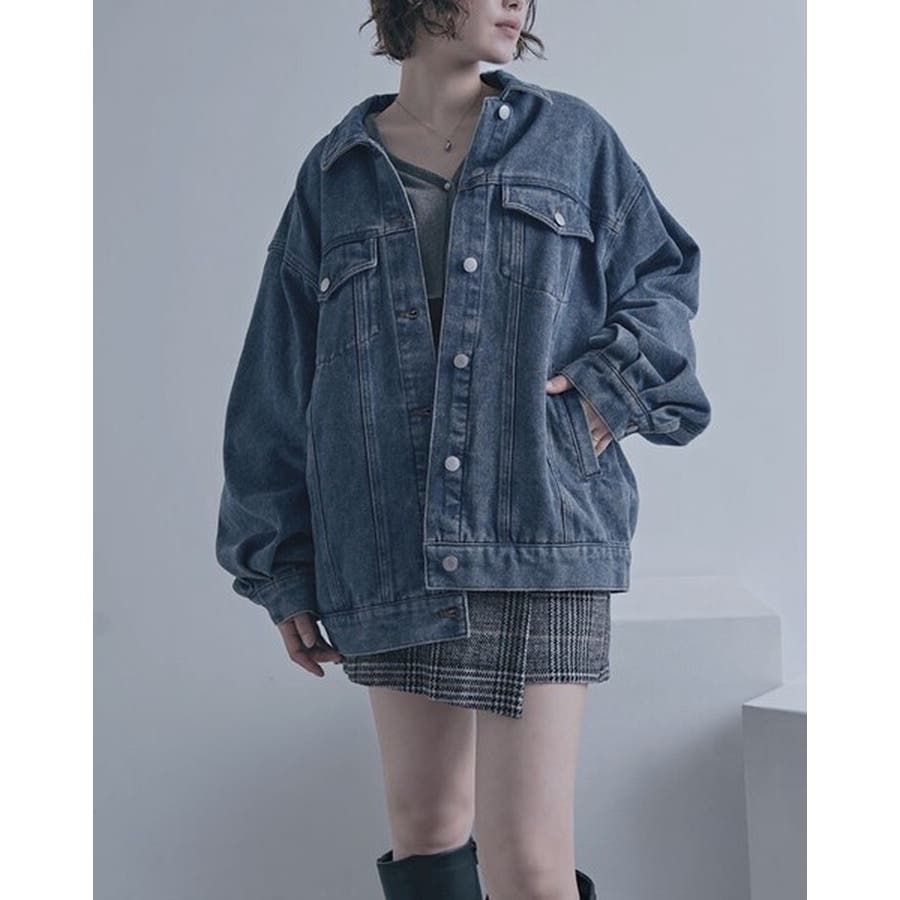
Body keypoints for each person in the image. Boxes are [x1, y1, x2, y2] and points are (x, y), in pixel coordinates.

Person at [214, 2, 712, 898]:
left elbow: (663, 276)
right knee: (427, 830)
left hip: (539, 528)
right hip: (388, 540)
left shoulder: (572, 140)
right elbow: (277, 375)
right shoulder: (336, 172)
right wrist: (279, 563)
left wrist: (611, 389)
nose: (517, 2)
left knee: (529, 860)